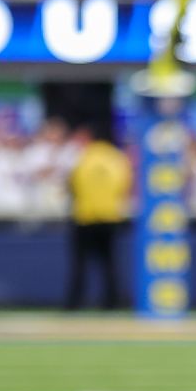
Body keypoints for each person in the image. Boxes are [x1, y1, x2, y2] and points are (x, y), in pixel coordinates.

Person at [65, 129, 133, 310]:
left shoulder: (83, 156)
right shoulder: (116, 158)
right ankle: (111, 302)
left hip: (85, 215)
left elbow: (72, 183)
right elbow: (125, 185)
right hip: (110, 216)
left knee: (80, 264)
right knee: (109, 263)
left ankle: (74, 303)